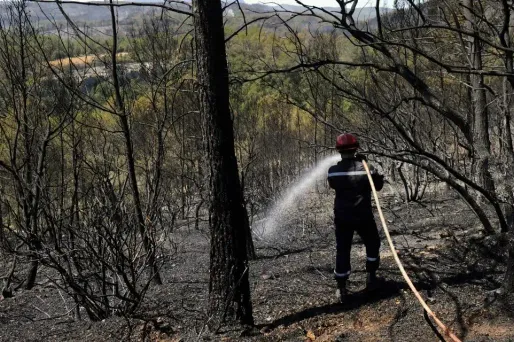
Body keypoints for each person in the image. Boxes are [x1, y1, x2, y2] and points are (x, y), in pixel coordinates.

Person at [327, 133, 385, 303]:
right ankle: (371, 277)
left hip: (342, 217)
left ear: (338, 151)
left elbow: (333, 184)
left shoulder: (333, 172)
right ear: (356, 149)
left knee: (343, 249)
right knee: (373, 243)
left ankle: (341, 287)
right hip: (363, 216)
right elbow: (378, 186)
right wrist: (366, 165)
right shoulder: (366, 169)